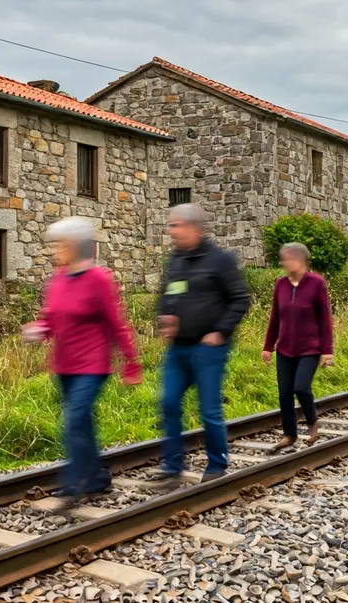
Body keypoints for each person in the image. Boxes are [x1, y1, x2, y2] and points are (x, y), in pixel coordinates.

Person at [23, 218, 142, 507]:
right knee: (83, 424)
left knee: (74, 421)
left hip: (93, 364)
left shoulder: (99, 279)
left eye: (60, 245)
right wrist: (39, 329)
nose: (55, 251)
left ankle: (75, 484)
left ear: (76, 246)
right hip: (64, 365)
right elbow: (51, 318)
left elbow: (117, 323)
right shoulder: (58, 279)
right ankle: (98, 476)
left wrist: (131, 362)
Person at [156, 204, 251, 486]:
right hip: (178, 347)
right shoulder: (175, 260)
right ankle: (173, 465)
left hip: (208, 347)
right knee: (168, 401)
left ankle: (217, 463)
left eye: (176, 225)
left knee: (208, 407)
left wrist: (220, 332)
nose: (171, 231)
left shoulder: (220, 260)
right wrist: (165, 315)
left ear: (193, 228)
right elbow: (167, 293)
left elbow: (240, 299)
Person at [262, 243, 333, 452]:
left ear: (302, 260)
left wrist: (327, 350)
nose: (285, 262)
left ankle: (312, 424)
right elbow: (275, 317)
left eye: (289, 258)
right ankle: (289, 434)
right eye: (284, 258)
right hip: (285, 347)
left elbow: (325, 319)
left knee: (300, 387)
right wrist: (268, 346)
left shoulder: (316, 283)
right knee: (284, 393)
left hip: (310, 348)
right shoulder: (280, 284)